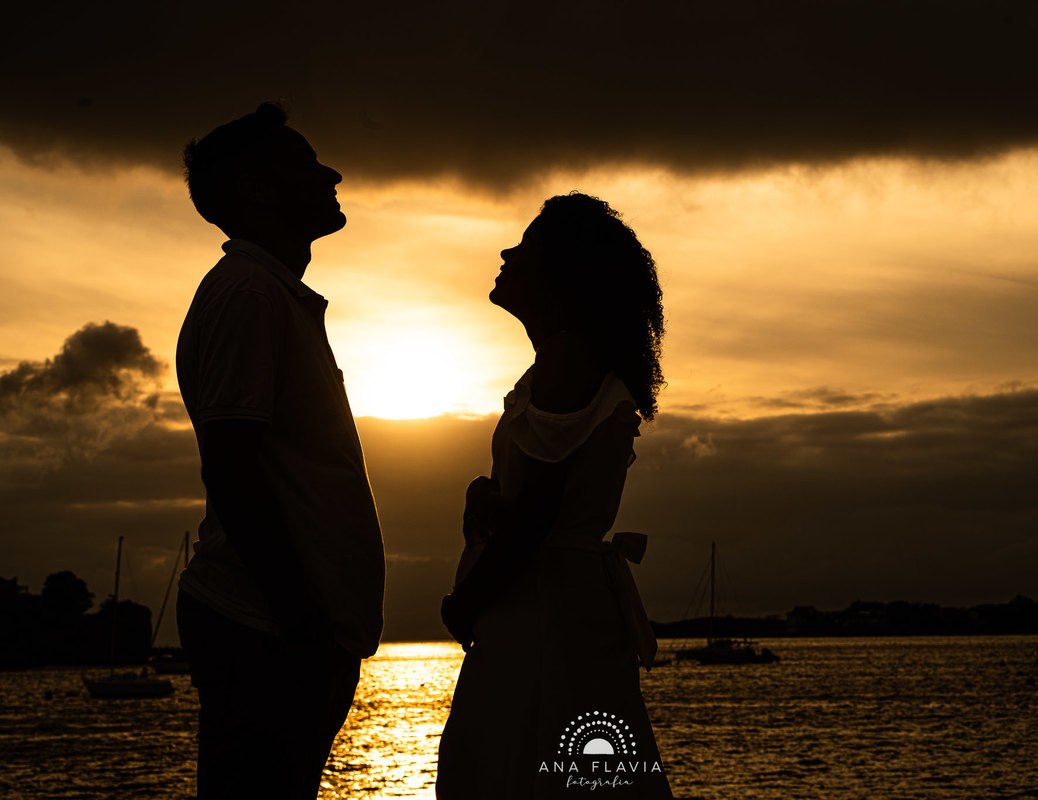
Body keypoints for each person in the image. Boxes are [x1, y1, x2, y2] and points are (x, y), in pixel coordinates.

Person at [174, 102, 386, 800]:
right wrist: (302, 620)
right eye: (303, 161)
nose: (331, 172)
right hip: (263, 625)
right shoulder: (249, 294)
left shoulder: (271, 295)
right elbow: (231, 465)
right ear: (256, 189)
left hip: (283, 626)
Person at [437, 193, 673, 798]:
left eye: (527, 243)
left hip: (545, 607)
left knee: (524, 764)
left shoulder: (568, 360)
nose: (507, 251)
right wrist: (487, 495)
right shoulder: (559, 362)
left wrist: (467, 600)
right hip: (552, 602)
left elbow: (537, 516)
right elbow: (540, 493)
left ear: (561, 270)